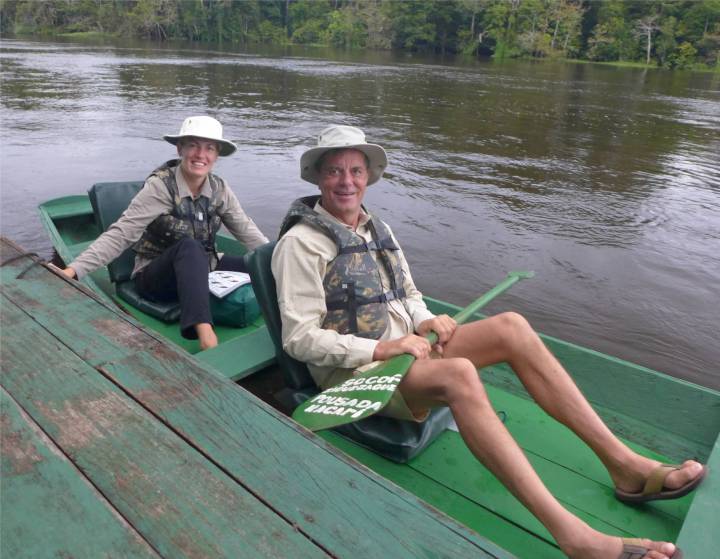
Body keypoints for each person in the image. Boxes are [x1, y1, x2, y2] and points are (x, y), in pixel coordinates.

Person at [271, 125, 705, 559]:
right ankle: (575, 537)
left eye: (356, 170)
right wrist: (381, 349)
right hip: (358, 376)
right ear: (318, 177)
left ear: (369, 176)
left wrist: (425, 320)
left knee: (512, 326)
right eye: (334, 171)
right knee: (459, 374)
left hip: (409, 352)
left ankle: (624, 466)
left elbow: (408, 294)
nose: (347, 181)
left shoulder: (376, 227)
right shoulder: (300, 244)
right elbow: (299, 339)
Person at [63, 116, 268, 350]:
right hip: (154, 277)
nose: (201, 155)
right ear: (180, 149)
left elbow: (246, 230)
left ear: (216, 155)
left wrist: (278, 258)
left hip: (203, 265)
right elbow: (121, 233)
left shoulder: (219, 189)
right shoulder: (160, 187)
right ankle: (206, 336)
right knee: (190, 246)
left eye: (209, 148)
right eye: (193, 145)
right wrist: (73, 270)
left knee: (260, 264)